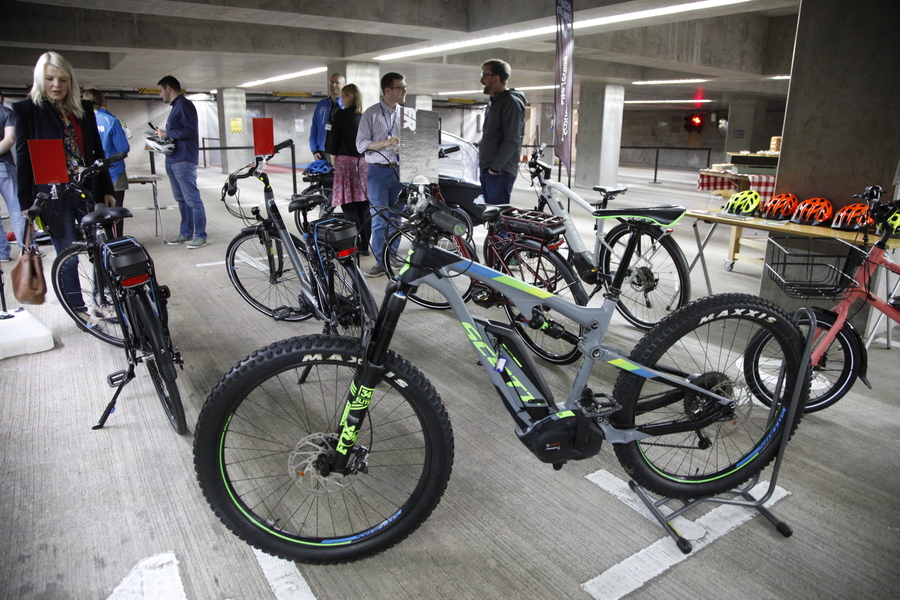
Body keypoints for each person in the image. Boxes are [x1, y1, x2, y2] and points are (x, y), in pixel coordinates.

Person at [13, 51, 116, 318]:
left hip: (87, 188)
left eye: (63, 79)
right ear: (40, 80)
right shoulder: (27, 110)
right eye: (49, 79)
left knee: (102, 249)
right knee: (68, 252)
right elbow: (24, 159)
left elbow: (97, 154)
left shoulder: (82, 111)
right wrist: (26, 202)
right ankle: (78, 309)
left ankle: (104, 300)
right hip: (54, 194)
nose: (56, 85)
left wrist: (106, 189)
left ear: (71, 81)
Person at [356, 72, 407, 277]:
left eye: (405, 87)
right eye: (400, 87)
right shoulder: (371, 114)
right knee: (380, 218)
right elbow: (361, 145)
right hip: (378, 172)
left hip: (401, 171)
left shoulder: (406, 115)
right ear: (387, 90)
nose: (405, 91)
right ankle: (380, 260)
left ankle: (391, 256)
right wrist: (386, 143)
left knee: (397, 218)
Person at [156, 75, 207, 248]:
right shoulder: (176, 107)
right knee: (181, 200)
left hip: (184, 160)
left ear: (168, 88)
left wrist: (166, 134)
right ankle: (186, 233)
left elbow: (190, 131)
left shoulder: (185, 105)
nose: (160, 94)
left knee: (192, 200)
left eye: (160, 90)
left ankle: (200, 235)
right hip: (173, 159)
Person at [326, 83, 370, 255]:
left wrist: (333, 162)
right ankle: (366, 246)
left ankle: (355, 245)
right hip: (364, 163)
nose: (341, 100)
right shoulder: (365, 116)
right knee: (364, 207)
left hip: (345, 164)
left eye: (343, 96)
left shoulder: (341, 115)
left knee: (349, 207)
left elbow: (334, 142)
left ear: (350, 97)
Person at [478, 59, 526, 205]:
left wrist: (495, 169)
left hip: (499, 172)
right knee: (491, 216)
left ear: (496, 78)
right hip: (489, 169)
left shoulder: (511, 103)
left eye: (485, 75)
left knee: (498, 218)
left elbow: (512, 140)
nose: (481, 80)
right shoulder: (493, 103)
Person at [83, 88, 130, 237]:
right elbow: (123, 149)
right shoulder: (111, 120)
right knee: (115, 212)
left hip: (91, 175)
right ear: (102, 101)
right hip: (114, 173)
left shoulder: (82, 122)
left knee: (94, 212)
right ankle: (117, 241)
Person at [1, 90, 26, 263]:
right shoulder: (5, 112)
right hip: (4, 166)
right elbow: (10, 140)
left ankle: (2, 253)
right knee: (17, 211)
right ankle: (26, 251)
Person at [309, 73, 345, 162]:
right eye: (331, 82)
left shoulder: (346, 106)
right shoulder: (321, 104)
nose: (334, 85)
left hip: (340, 153)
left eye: (337, 83)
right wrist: (315, 149)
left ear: (344, 85)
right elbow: (314, 128)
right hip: (322, 152)